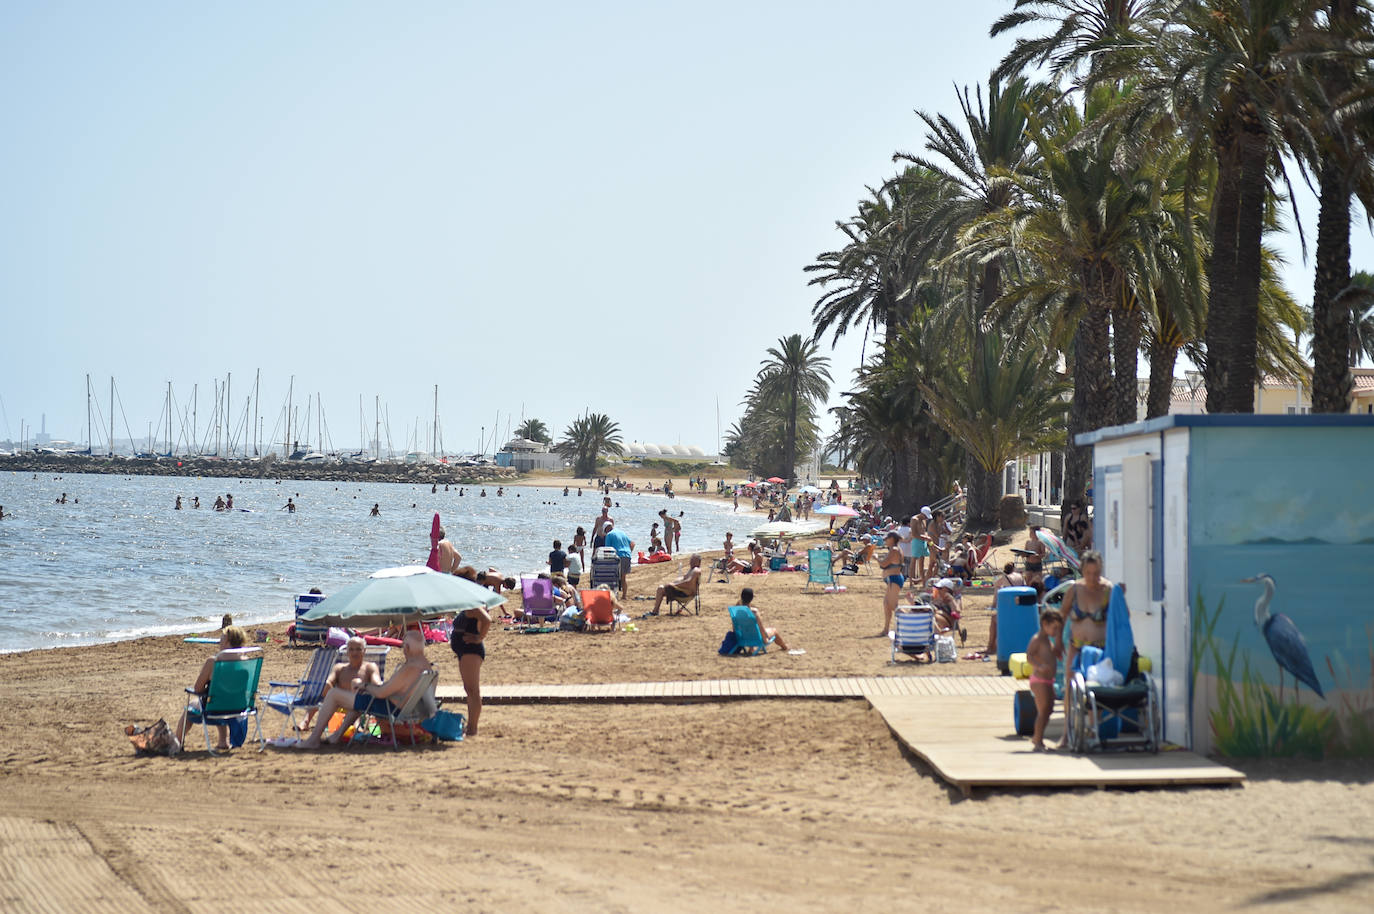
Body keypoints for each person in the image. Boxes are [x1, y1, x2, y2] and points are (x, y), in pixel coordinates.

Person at [298, 631, 434, 748]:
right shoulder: (426, 666)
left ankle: (313, 739)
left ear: (408, 647)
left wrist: (366, 686)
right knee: (359, 695)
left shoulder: (410, 667)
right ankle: (336, 736)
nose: (403, 649)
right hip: (405, 707)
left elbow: (381, 692)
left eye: (404, 645)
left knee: (334, 694)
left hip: (389, 708)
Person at [173, 625, 249, 753]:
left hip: (215, 708)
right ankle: (222, 741)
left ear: (228, 642)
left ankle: (177, 743)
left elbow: (197, 689)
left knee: (193, 706)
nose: (219, 643)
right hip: (238, 707)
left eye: (221, 640)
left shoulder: (213, 662)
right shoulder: (246, 662)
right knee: (220, 697)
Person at [1059, 550, 1112, 698]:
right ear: (1082, 570)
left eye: (1096, 573)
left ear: (1101, 570)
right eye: (1088, 573)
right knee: (1069, 687)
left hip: (1102, 648)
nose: (1092, 577)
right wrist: (1057, 642)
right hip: (1076, 646)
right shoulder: (1074, 590)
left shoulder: (1108, 590)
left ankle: (1096, 720)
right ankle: (1068, 720)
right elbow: (1062, 616)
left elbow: (1122, 617)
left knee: (1098, 692)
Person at [450, 596, 493, 736]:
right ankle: (471, 727)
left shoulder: (474, 606)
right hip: (465, 650)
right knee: (469, 689)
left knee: (473, 690)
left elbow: (487, 620)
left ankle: (473, 728)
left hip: (471, 650)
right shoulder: (468, 605)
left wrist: (479, 637)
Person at [1027, 608, 1064, 752]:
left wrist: (1057, 653)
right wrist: (1040, 666)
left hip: (1048, 680)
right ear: (1044, 624)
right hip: (1039, 680)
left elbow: (1051, 652)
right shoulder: (1037, 639)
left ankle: (1038, 738)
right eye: (1054, 627)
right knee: (1043, 711)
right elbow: (1029, 656)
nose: (1056, 631)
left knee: (1048, 709)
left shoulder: (1048, 640)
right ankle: (1037, 740)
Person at [738, 586, 790, 651]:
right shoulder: (754, 612)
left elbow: (735, 628)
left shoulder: (737, 611)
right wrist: (765, 639)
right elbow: (761, 628)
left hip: (743, 638)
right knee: (774, 631)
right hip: (755, 638)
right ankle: (785, 647)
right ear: (752, 598)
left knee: (750, 629)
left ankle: (752, 648)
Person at [879, 532, 904, 637]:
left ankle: (910, 622)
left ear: (892, 539)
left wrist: (876, 558)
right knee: (887, 605)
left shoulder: (894, 550)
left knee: (894, 606)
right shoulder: (896, 549)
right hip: (892, 579)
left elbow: (884, 564)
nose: (885, 541)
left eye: (887, 539)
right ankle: (886, 629)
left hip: (894, 579)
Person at [602, 520, 634, 598]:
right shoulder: (622, 532)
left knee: (614, 577)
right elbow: (632, 543)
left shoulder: (609, 535)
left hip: (618, 556)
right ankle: (624, 595)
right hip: (627, 555)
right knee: (623, 578)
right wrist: (629, 552)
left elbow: (607, 549)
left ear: (606, 529)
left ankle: (614, 595)